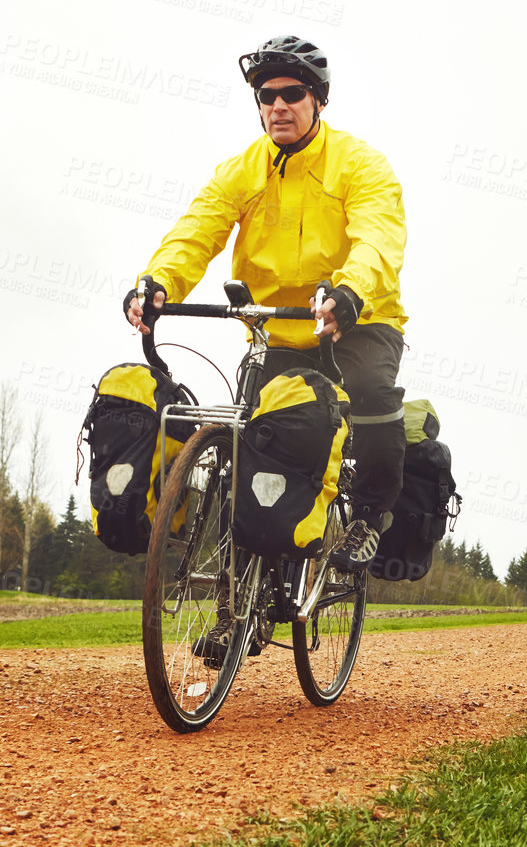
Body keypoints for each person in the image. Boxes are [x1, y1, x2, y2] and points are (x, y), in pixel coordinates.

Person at [124, 35, 406, 572]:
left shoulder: (360, 165)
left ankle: (369, 516)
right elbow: (197, 230)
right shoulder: (242, 171)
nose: (277, 105)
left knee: (369, 391)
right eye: (265, 94)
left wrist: (349, 292)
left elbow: (379, 238)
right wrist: (160, 283)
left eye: (292, 93)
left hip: (358, 319)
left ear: (318, 99)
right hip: (278, 329)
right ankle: (242, 600)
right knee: (257, 441)